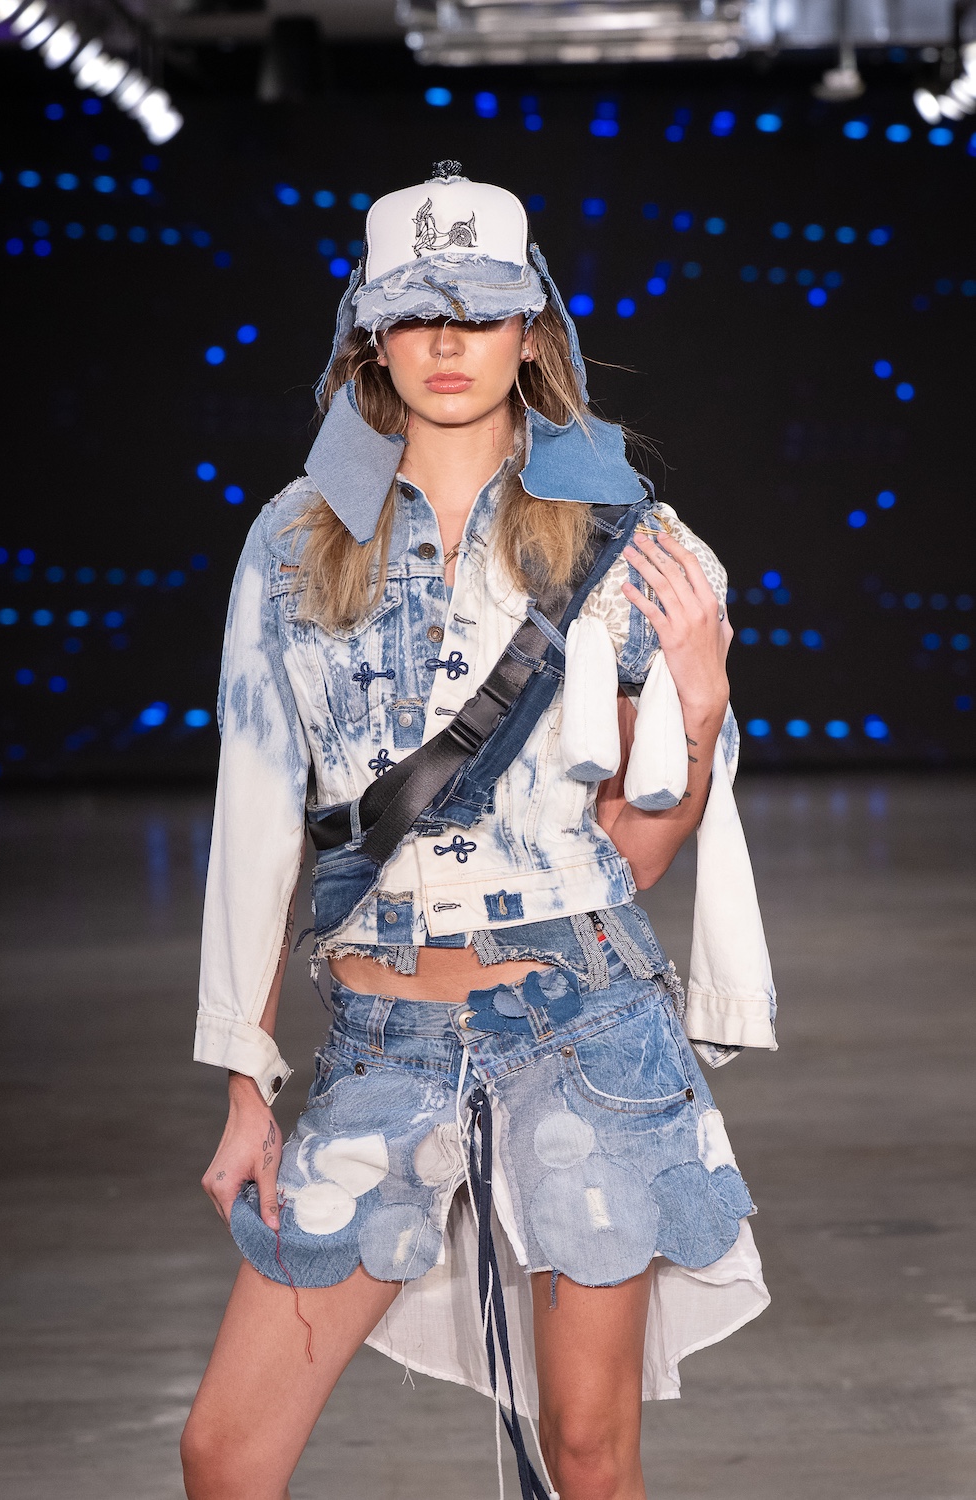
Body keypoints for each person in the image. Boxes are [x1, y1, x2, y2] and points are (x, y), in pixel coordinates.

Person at [181, 164, 776, 1500]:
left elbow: (635, 854)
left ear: (532, 330)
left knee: (589, 1459)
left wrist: (699, 701)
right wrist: (244, 1081)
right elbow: (254, 813)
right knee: (225, 1452)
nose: (448, 343)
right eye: (416, 314)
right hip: (378, 1046)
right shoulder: (294, 542)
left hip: (583, 1033)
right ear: (369, 339)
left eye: (480, 312)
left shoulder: (628, 541)